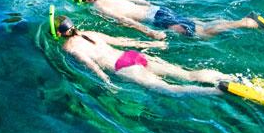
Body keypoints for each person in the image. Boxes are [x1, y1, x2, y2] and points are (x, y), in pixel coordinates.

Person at [53, 15, 231, 96]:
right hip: (132, 56)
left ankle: (216, 91)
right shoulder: (90, 33)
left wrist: (106, 82)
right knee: (188, 74)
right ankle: (226, 77)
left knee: (170, 89)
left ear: (58, 33)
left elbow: (90, 65)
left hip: (122, 67)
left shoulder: (69, 47)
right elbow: (121, 41)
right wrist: (150, 44)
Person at [72, 0, 261, 40]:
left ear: (83, 2)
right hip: (158, 9)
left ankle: (244, 23)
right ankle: (239, 22)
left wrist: (149, 32)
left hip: (154, 19)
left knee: (201, 35)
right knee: (199, 24)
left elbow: (125, 20)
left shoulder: (100, 8)